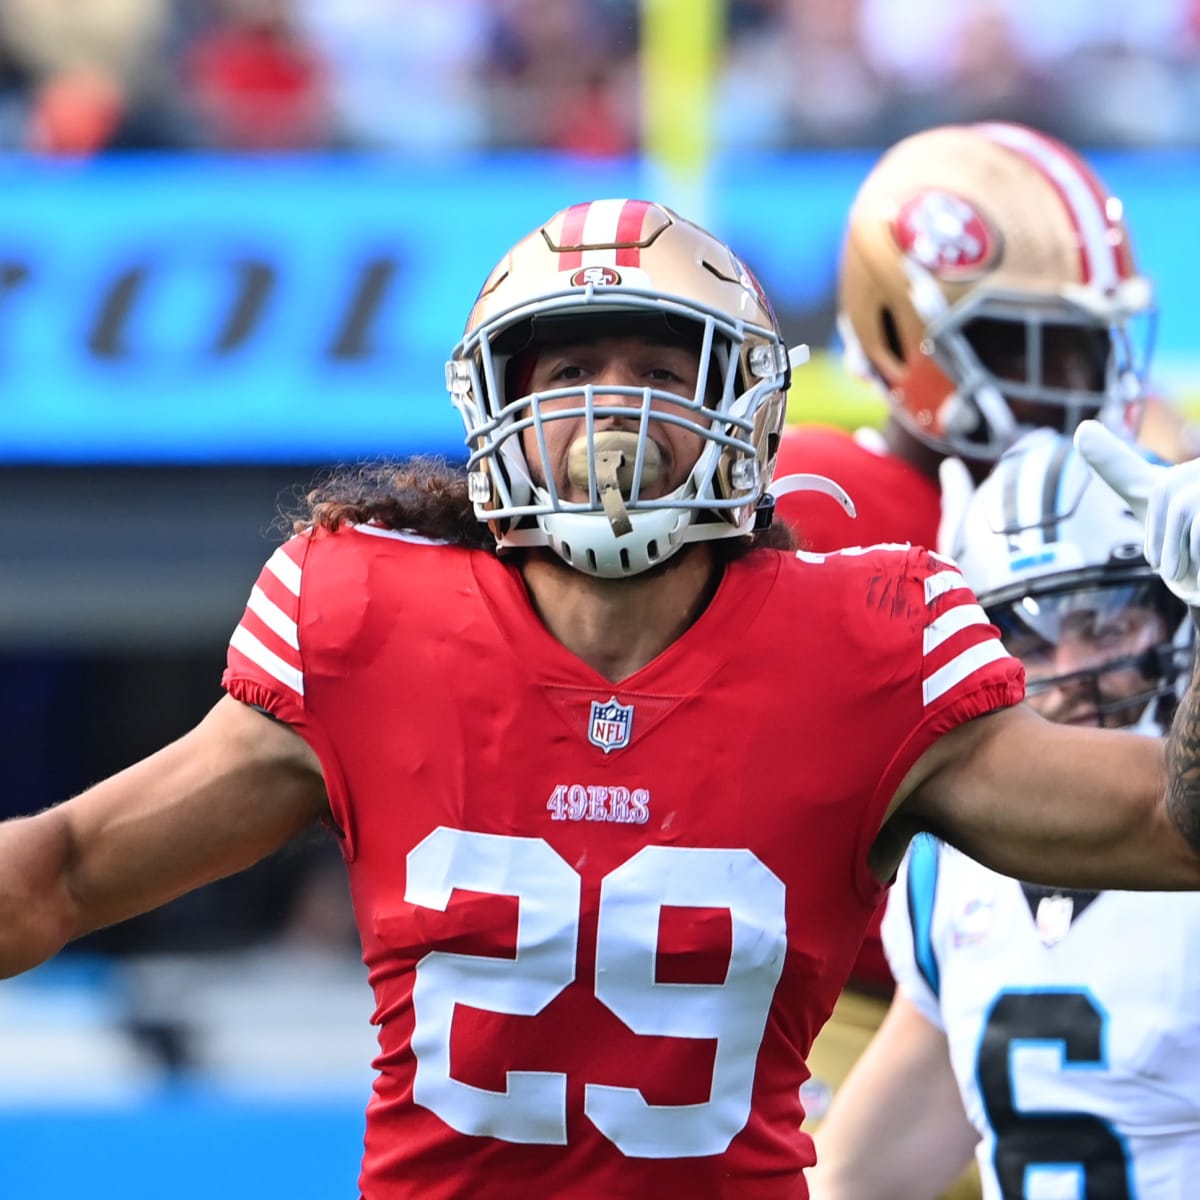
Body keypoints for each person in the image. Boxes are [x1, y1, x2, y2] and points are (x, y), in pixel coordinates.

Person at [1, 197, 1200, 1200]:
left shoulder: (864, 644)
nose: (614, 409)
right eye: (572, 368)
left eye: (660, 370)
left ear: (744, 406)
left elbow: (1168, 824)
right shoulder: (364, 618)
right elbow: (59, 874)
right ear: (497, 401)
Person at [769, 120, 1167, 1146]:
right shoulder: (818, 503)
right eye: (1027, 345)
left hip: (1121, 959)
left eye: (1086, 344)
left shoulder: (1147, 492)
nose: (1072, 383)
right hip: (849, 1001)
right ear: (908, 331)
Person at [807, 430, 1200, 1199]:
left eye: (1109, 621)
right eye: (1030, 635)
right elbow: (859, 1176)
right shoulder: (944, 869)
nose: (1073, 671)